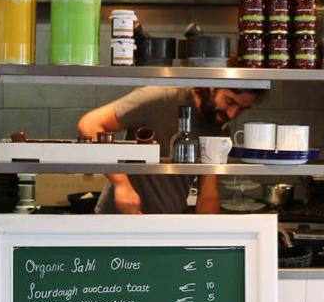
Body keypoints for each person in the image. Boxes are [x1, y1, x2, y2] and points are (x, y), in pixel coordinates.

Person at [77, 86, 265, 214]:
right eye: (230, 101)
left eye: (242, 109)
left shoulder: (218, 129)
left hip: (166, 228)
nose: (232, 114)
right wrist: (121, 184)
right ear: (212, 86)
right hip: (118, 221)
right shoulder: (159, 98)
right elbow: (90, 124)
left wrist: (209, 238)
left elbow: (208, 194)